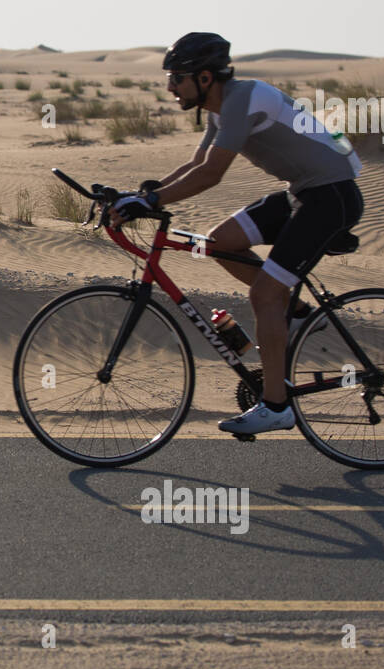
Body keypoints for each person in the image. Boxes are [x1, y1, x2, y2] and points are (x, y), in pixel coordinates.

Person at [113, 32, 364, 434]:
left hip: (330, 199)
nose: (170, 87)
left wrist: (152, 202)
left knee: (264, 293)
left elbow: (212, 175)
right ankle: (298, 316)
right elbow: (197, 162)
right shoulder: (221, 107)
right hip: (305, 193)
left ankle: (277, 406)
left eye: (177, 77)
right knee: (218, 243)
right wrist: (142, 195)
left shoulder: (242, 100)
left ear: (206, 77)